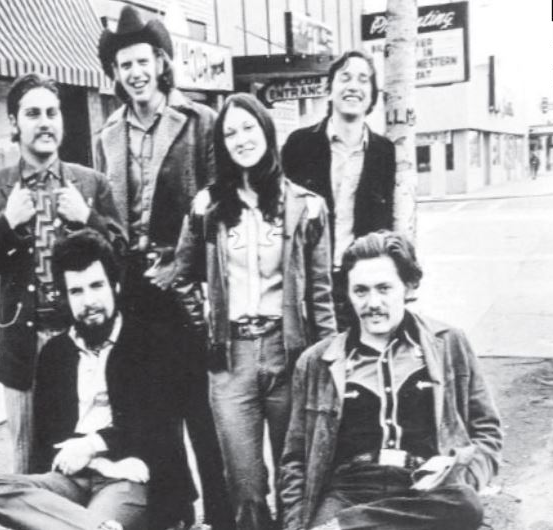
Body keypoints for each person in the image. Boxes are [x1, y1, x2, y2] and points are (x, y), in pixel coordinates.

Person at [173, 93, 337, 530]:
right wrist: (206, 327)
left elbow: (321, 294)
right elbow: (181, 275)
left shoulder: (306, 205)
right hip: (231, 359)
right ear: (221, 144)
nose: (241, 139)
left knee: (293, 473)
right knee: (243, 482)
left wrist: (328, 361)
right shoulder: (208, 205)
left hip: (289, 353)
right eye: (230, 133)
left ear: (266, 131)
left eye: (249, 127)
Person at [96, 6, 232, 529]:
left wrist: (183, 264)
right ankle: (177, 513)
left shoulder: (200, 122)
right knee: (154, 411)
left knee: (204, 410)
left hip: (187, 287)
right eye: (124, 65)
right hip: (134, 291)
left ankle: (223, 515)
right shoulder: (108, 134)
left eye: (142, 61)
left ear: (160, 62)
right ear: (115, 72)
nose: (135, 73)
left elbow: (219, 205)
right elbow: (109, 215)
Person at [279, 231, 502, 530]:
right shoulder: (317, 361)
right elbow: (295, 459)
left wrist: (464, 477)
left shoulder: (449, 344)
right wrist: (296, 526)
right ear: (348, 294)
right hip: (349, 491)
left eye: (384, 288)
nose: (373, 303)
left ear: (408, 286)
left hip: (424, 492)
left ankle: (348, 526)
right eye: (361, 291)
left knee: (465, 504)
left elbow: (487, 432)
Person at [0, 229, 195, 530]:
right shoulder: (55, 354)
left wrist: (93, 446)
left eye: (96, 286)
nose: (89, 301)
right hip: (71, 478)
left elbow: (157, 428)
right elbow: (46, 439)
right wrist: (95, 463)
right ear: (66, 298)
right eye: (77, 291)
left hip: (127, 477)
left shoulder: (146, 342)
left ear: (115, 286)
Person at [0, 73, 125, 473]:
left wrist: (87, 217)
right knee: (29, 463)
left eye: (52, 113)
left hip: (84, 338)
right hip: (26, 346)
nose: (45, 122)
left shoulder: (91, 184)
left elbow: (123, 260)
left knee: (90, 453)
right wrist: (6, 223)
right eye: (33, 113)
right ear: (14, 123)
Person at [280, 50, 396, 329]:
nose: (353, 86)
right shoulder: (299, 144)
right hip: (309, 284)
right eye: (345, 78)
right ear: (329, 89)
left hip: (361, 282)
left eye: (363, 80)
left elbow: (387, 221)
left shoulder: (383, 151)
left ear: (372, 95)